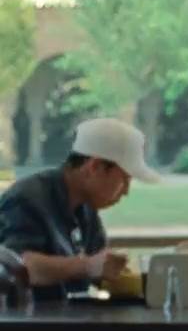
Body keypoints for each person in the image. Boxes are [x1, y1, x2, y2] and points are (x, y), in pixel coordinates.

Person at [0, 117, 149, 300]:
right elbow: (16, 267)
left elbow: (99, 268)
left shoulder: (86, 208)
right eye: (125, 179)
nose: (126, 191)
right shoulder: (26, 198)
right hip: (27, 318)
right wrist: (88, 266)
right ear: (95, 167)